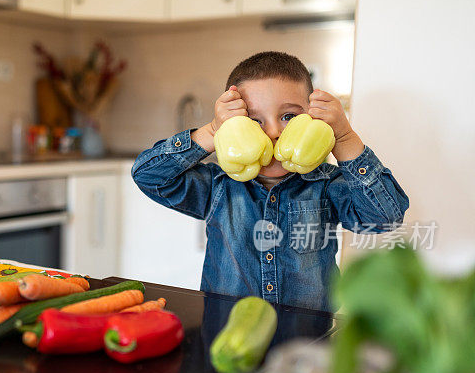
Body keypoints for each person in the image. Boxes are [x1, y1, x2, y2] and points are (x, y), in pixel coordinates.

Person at [131, 51, 409, 312]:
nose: (274, 131)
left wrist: (345, 138)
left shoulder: (326, 185)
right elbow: (147, 175)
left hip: (308, 339)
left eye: (289, 116)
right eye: (255, 121)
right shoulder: (218, 185)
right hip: (227, 329)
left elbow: (386, 216)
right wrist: (213, 131)